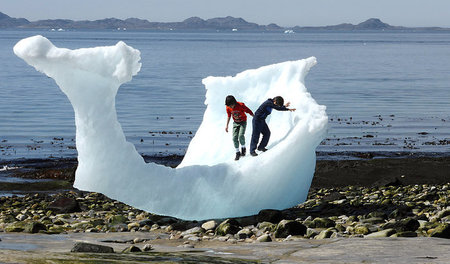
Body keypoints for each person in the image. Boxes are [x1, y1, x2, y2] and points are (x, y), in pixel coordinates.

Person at [225, 95, 254, 160]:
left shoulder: (240, 105)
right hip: (235, 123)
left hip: (243, 122)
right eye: (229, 106)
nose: (230, 107)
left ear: (234, 103)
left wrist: (253, 116)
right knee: (234, 138)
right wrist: (227, 125)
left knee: (241, 135)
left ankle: (243, 148)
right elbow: (229, 116)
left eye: (231, 105)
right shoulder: (228, 107)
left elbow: (248, 110)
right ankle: (237, 152)